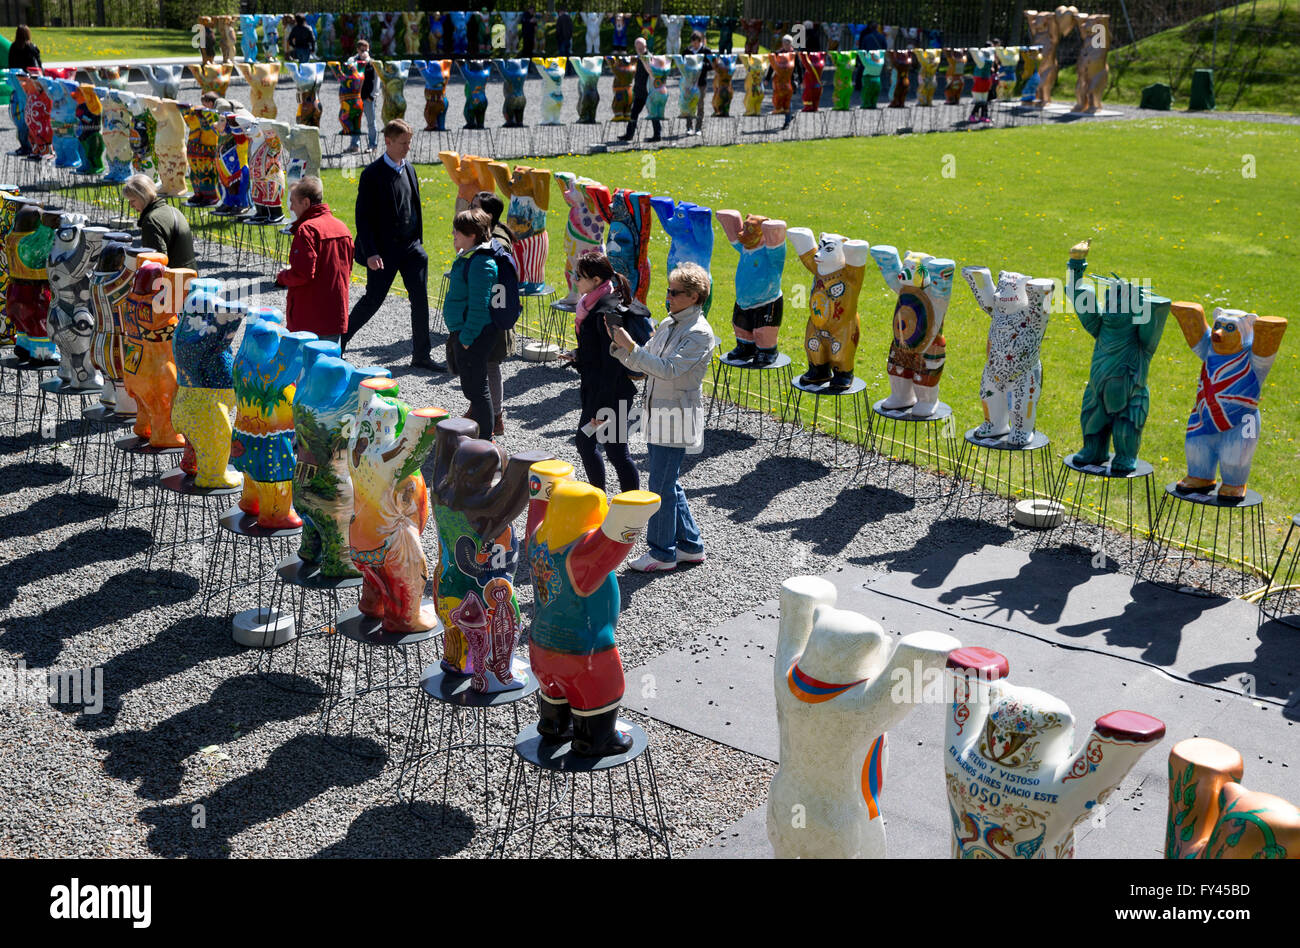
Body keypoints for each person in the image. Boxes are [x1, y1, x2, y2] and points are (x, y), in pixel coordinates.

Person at [609, 261, 714, 573]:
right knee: (669, 483)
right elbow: (646, 363)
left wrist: (632, 349)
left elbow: (668, 370)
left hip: (676, 417)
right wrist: (620, 349)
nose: (667, 297)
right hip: (660, 413)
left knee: (660, 486)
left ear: (694, 297)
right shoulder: (671, 324)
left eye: (675, 293)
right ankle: (690, 546)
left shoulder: (698, 333)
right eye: (668, 291)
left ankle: (662, 553)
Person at [344, 119, 444, 371]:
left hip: (411, 249)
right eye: (403, 143)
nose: (408, 147)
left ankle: (421, 355)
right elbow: (362, 218)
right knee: (373, 300)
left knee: (420, 300)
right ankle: (339, 342)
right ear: (388, 142)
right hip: (383, 252)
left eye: (409, 142)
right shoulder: (372, 175)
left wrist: (418, 242)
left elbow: (414, 205)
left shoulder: (409, 168)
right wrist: (371, 253)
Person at [571, 251, 640, 495]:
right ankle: (606, 500)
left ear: (597, 280)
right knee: (610, 449)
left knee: (605, 449)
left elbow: (611, 364)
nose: (575, 280)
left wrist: (600, 408)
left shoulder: (606, 312)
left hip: (611, 393)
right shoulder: (592, 303)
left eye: (579, 276)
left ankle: (622, 505)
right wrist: (577, 356)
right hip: (602, 389)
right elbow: (597, 352)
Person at [275, 176, 353, 343]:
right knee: (328, 366)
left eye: (293, 202)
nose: (291, 207)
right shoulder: (342, 228)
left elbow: (302, 274)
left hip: (309, 319)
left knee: (304, 366)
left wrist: (282, 276)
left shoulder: (307, 230)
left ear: (306, 203)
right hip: (334, 316)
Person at [444, 208, 498, 441]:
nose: (453, 234)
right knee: (472, 388)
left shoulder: (481, 263)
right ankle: (482, 435)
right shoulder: (470, 256)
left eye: (458, 230)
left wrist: (466, 338)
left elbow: (479, 306)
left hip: (473, 334)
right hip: (466, 331)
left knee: (477, 389)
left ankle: (486, 441)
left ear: (472, 235)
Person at [469, 190, 515, 436]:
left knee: (490, 365)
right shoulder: (485, 235)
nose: (469, 209)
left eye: (475, 206)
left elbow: (494, 285)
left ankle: (495, 416)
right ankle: (479, 407)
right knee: (480, 366)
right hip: (487, 315)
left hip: (493, 318)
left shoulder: (496, 242)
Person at [124, 174, 196, 272]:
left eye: (133, 200)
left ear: (143, 197)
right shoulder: (173, 210)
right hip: (190, 273)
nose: (131, 205)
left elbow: (156, 264)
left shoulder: (151, 221)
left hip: (175, 281)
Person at [617, 35, 651, 142]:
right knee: (634, 113)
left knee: (653, 113)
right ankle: (629, 135)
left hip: (649, 91)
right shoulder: (637, 58)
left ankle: (657, 134)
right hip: (639, 91)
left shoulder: (649, 57)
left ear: (645, 47)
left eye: (641, 48)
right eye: (638, 48)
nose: (640, 50)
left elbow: (651, 72)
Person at [348, 39, 379, 153]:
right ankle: (354, 145)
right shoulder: (353, 60)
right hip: (356, 97)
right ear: (358, 50)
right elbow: (348, 65)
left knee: (371, 122)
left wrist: (373, 95)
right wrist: (358, 60)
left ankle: (373, 145)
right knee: (355, 121)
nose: (364, 52)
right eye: (362, 50)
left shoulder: (372, 62)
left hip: (367, 97)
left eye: (366, 50)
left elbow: (377, 80)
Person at [685, 30, 712, 136]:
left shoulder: (706, 50)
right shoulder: (687, 51)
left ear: (700, 41)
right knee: (689, 105)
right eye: (693, 42)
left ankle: (698, 128)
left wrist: (701, 65)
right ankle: (689, 127)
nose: (694, 45)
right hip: (689, 83)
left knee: (700, 105)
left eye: (696, 43)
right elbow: (682, 64)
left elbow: (712, 65)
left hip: (701, 82)